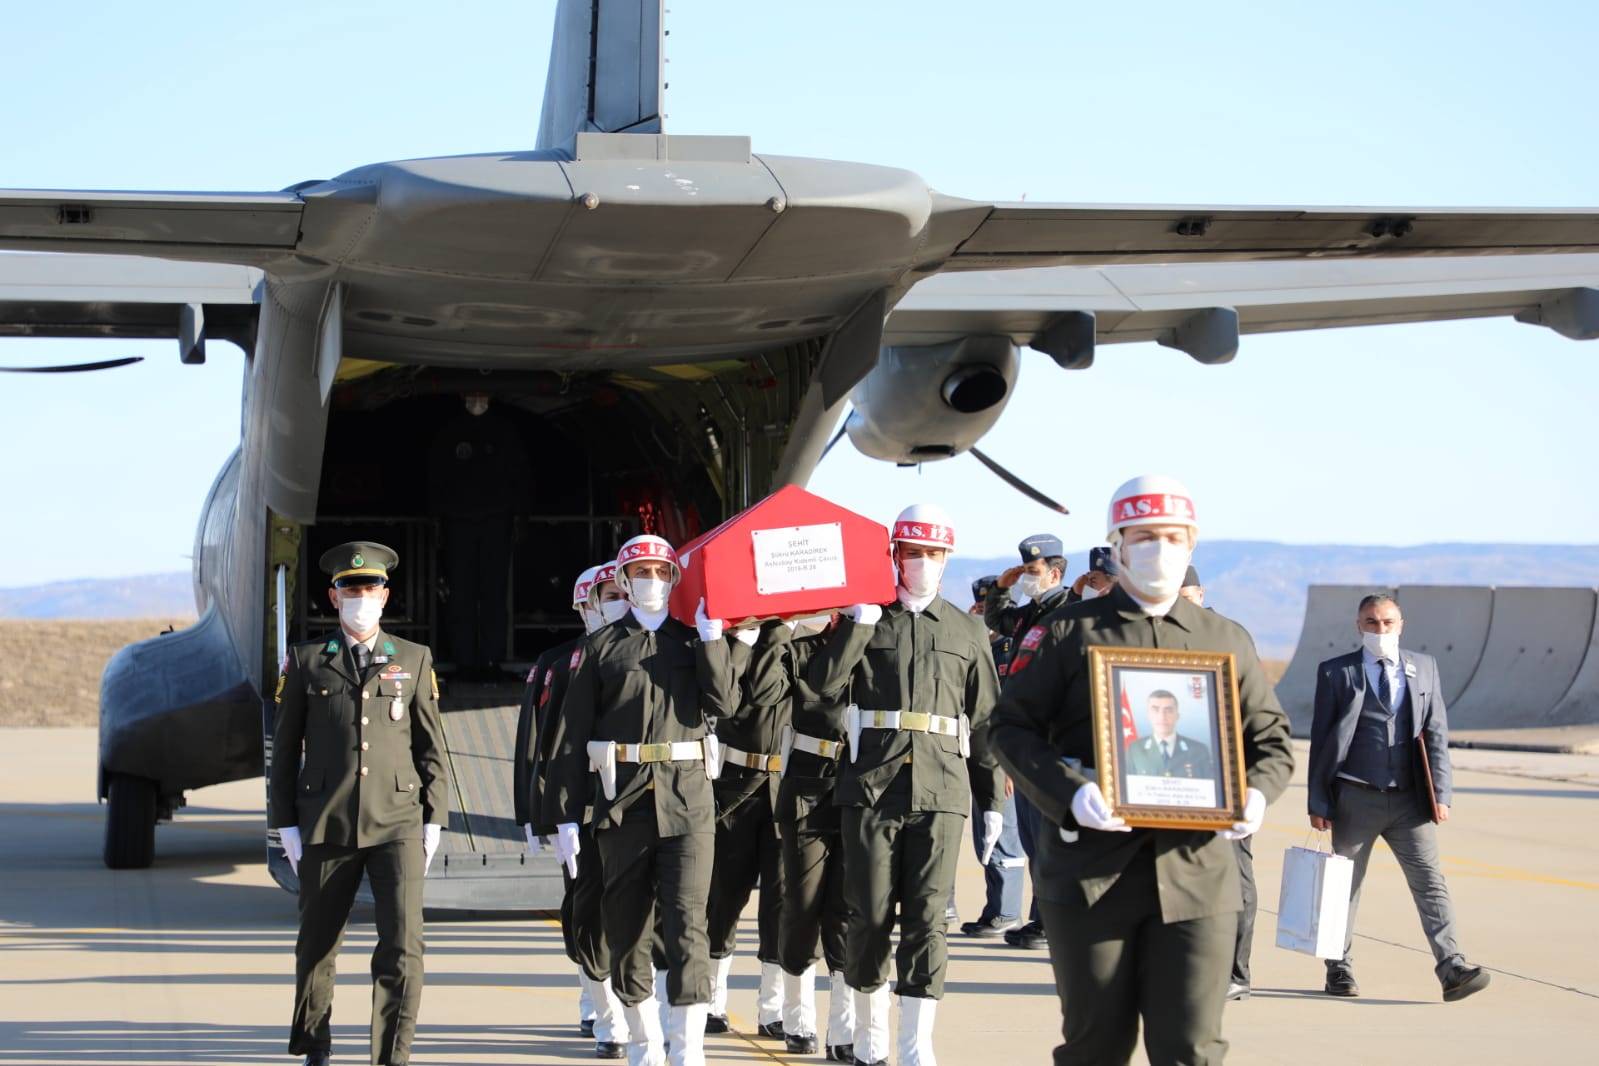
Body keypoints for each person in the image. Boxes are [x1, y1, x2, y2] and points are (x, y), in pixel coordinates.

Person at [989, 476, 1294, 1066]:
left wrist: (1256, 794)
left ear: (1191, 546)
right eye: (1144, 536)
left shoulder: (1224, 639)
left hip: (1197, 880)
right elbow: (1010, 727)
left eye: (1172, 537)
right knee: (1095, 1047)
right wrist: (1071, 795)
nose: (1159, 549)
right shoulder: (1068, 631)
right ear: (1119, 545)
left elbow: (1272, 740)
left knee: (1190, 1048)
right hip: (1090, 879)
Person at [804, 504, 1005, 1066]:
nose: (921, 563)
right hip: (872, 787)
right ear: (894, 555)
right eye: (912, 553)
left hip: (941, 792)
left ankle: (917, 1045)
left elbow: (986, 720)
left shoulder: (967, 631)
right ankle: (870, 1038)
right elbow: (821, 690)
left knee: (927, 918)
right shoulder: (865, 619)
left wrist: (991, 802)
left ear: (947, 560)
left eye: (932, 555)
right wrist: (857, 627)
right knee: (866, 915)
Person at [544, 535, 736, 1066]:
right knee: (626, 926)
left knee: (688, 920)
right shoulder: (599, 649)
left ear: (672, 579)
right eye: (640, 572)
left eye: (660, 571)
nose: (651, 579)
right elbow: (571, 738)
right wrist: (565, 816)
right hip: (623, 803)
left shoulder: (693, 643)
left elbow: (725, 702)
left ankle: (688, 1049)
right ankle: (645, 1043)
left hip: (689, 802)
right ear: (624, 582)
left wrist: (715, 641)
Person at [269, 541, 450, 1066]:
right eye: (351, 588)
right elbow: (284, 753)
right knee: (317, 946)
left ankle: (392, 1055)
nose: (360, 596)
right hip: (326, 821)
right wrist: (285, 825)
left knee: (403, 949)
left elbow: (430, 747)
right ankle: (314, 1044)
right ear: (333, 596)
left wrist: (434, 818)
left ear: (385, 596)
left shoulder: (413, 659)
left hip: (397, 822)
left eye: (370, 588)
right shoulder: (306, 661)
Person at [1308, 593, 1489, 1003]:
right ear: (1359, 626)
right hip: (1355, 798)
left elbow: (1437, 733)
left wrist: (1441, 792)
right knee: (1343, 889)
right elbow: (1321, 741)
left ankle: (1452, 966)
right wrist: (1318, 802)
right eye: (1371, 623)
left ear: (1401, 624)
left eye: (1388, 622)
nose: (1380, 630)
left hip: (1410, 802)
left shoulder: (1423, 668)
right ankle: (1339, 968)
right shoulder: (1337, 673)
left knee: (1431, 884)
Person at [515, 564, 628, 1059]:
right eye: (608, 595)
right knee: (585, 910)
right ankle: (598, 1001)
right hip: (578, 809)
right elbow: (536, 743)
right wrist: (534, 811)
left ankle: (613, 1004)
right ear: (586, 604)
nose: (618, 601)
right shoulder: (560, 662)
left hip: (630, 805)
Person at [745, 613, 858, 1061]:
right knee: (802, 904)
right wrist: (780, 626)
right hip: (809, 786)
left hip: (859, 785)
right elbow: (778, 692)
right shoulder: (798, 647)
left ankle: (845, 1028)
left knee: (848, 910)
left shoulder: (872, 637)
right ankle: (797, 1017)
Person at [702, 621, 787, 1043]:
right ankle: (712, 1000)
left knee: (782, 904)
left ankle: (774, 1009)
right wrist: (752, 636)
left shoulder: (807, 640)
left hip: (787, 789)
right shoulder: (741, 639)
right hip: (738, 785)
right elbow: (730, 700)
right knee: (724, 897)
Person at [427, 393, 531, 678]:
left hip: (496, 522)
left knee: (494, 595)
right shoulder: (450, 432)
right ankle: (463, 661)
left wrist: (519, 517)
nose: (477, 401)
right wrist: (437, 519)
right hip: (459, 522)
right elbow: (436, 477)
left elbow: (519, 476)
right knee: (460, 593)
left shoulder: (504, 432)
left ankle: (491, 660)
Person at [1123, 690, 1215, 779]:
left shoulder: (1199, 750)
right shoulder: (1135, 749)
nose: (1162, 716)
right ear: (1148, 715)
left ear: (1177, 716)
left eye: (1168, 710)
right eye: (1155, 710)